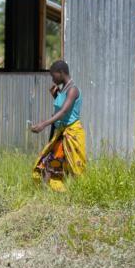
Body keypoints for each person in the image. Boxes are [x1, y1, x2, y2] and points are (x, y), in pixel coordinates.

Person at [30, 60, 86, 191]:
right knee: (50, 161)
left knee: (66, 164)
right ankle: (49, 192)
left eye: (53, 75)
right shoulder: (63, 90)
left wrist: (43, 124)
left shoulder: (73, 90)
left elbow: (64, 111)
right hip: (61, 131)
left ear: (61, 73)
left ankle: (74, 192)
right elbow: (61, 107)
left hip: (71, 133)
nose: (52, 78)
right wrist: (56, 95)